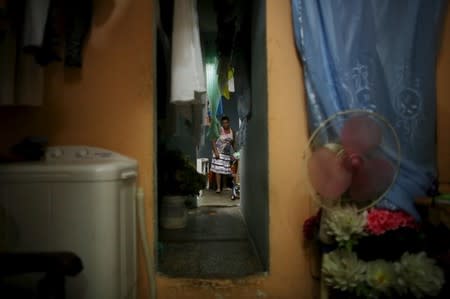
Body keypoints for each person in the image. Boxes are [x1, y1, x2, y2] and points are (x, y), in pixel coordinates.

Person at [210, 116, 234, 193]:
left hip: (227, 153)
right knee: (218, 170)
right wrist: (216, 152)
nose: (225, 124)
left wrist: (234, 153)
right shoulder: (219, 130)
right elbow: (213, 141)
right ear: (221, 123)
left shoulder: (231, 131)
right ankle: (218, 188)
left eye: (226, 122)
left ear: (229, 122)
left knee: (224, 170)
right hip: (219, 152)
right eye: (223, 123)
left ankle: (224, 186)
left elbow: (232, 142)